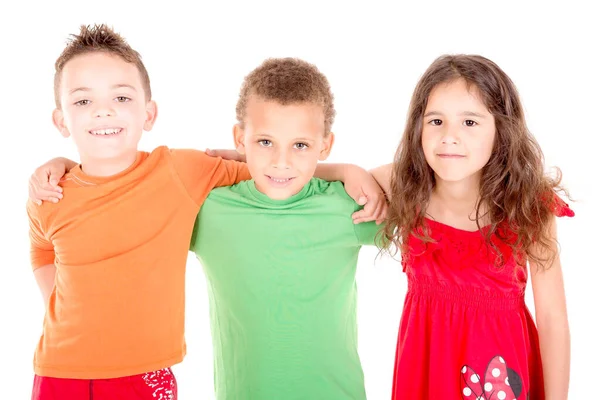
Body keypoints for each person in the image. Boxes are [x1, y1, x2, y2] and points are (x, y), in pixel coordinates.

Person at [27, 25, 385, 400]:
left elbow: (276, 171)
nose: (103, 111)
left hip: (144, 373)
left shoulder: (182, 173)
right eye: (83, 101)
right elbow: (40, 247)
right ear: (61, 120)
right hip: (57, 368)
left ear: (149, 113)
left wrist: (346, 170)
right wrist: (61, 307)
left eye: (120, 97)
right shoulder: (51, 190)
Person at [370, 54, 574, 399]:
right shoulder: (404, 183)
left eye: (469, 122)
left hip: (495, 377)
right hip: (425, 372)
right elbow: (336, 179)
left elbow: (553, 319)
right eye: (436, 121)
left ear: (501, 129)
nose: (449, 137)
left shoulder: (528, 204)